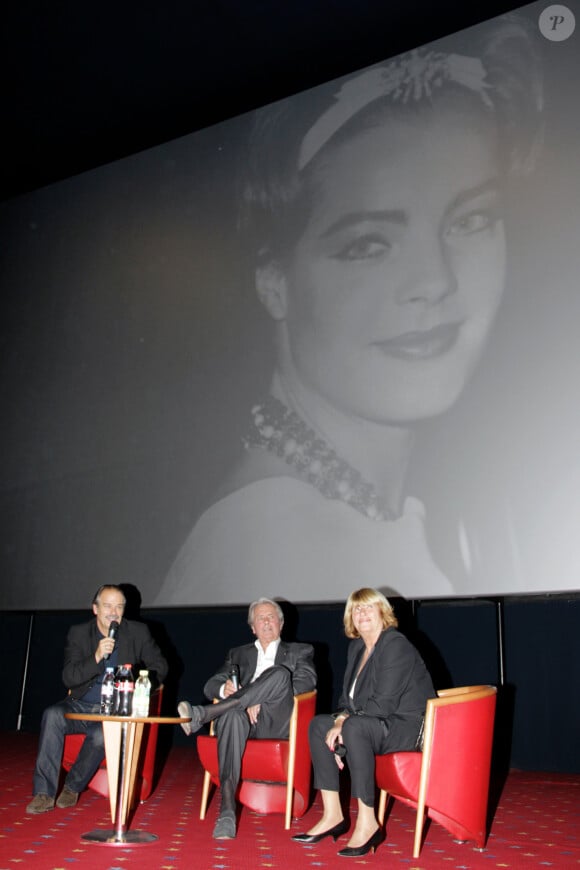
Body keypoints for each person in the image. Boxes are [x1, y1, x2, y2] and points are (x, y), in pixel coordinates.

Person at [156, 14, 544, 608]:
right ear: (274, 280)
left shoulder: (345, 524)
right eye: (367, 244)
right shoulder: (295, 550)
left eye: (469, 221)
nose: (435, 281)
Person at [292, 588, 434, 858]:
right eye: (356, 609)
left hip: (407, 727)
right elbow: (348, 700)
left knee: (354, 727)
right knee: (319, 724)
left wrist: (345, 723)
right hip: (374, 723)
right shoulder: (357, 647)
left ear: (383, 612)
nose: (362, 613)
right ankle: (333, 815)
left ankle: (368, 821)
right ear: (350, 618)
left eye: (369, 607)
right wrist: (341, 719)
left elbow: (383, 705)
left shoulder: (395, 644)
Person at [177, 597, 316, 839]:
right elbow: (212, 685)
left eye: (271, 617)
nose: (266, 622)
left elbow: (306, 682)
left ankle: (204, 714)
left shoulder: (299, 651)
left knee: (280, 675)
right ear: (252, 627)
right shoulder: (238, 653)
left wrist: (260, 698)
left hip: (275, 720)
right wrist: (224, 691)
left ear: (281, 624)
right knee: (231, 715)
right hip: (239, 721)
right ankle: (227, 811)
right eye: (260, 618)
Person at [26, 584, 168, 814]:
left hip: (114, 709)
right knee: (52, 714)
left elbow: (160, 666)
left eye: (119, 606)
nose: (114, 612)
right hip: (81, 703)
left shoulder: (137, 632)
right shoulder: (79, 633)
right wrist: (96, 656)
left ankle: (72, 787)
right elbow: (69, 678)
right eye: (108, 606)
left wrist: (139, 686)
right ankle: (43, 793)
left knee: (102, 734)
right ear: (95, 609)